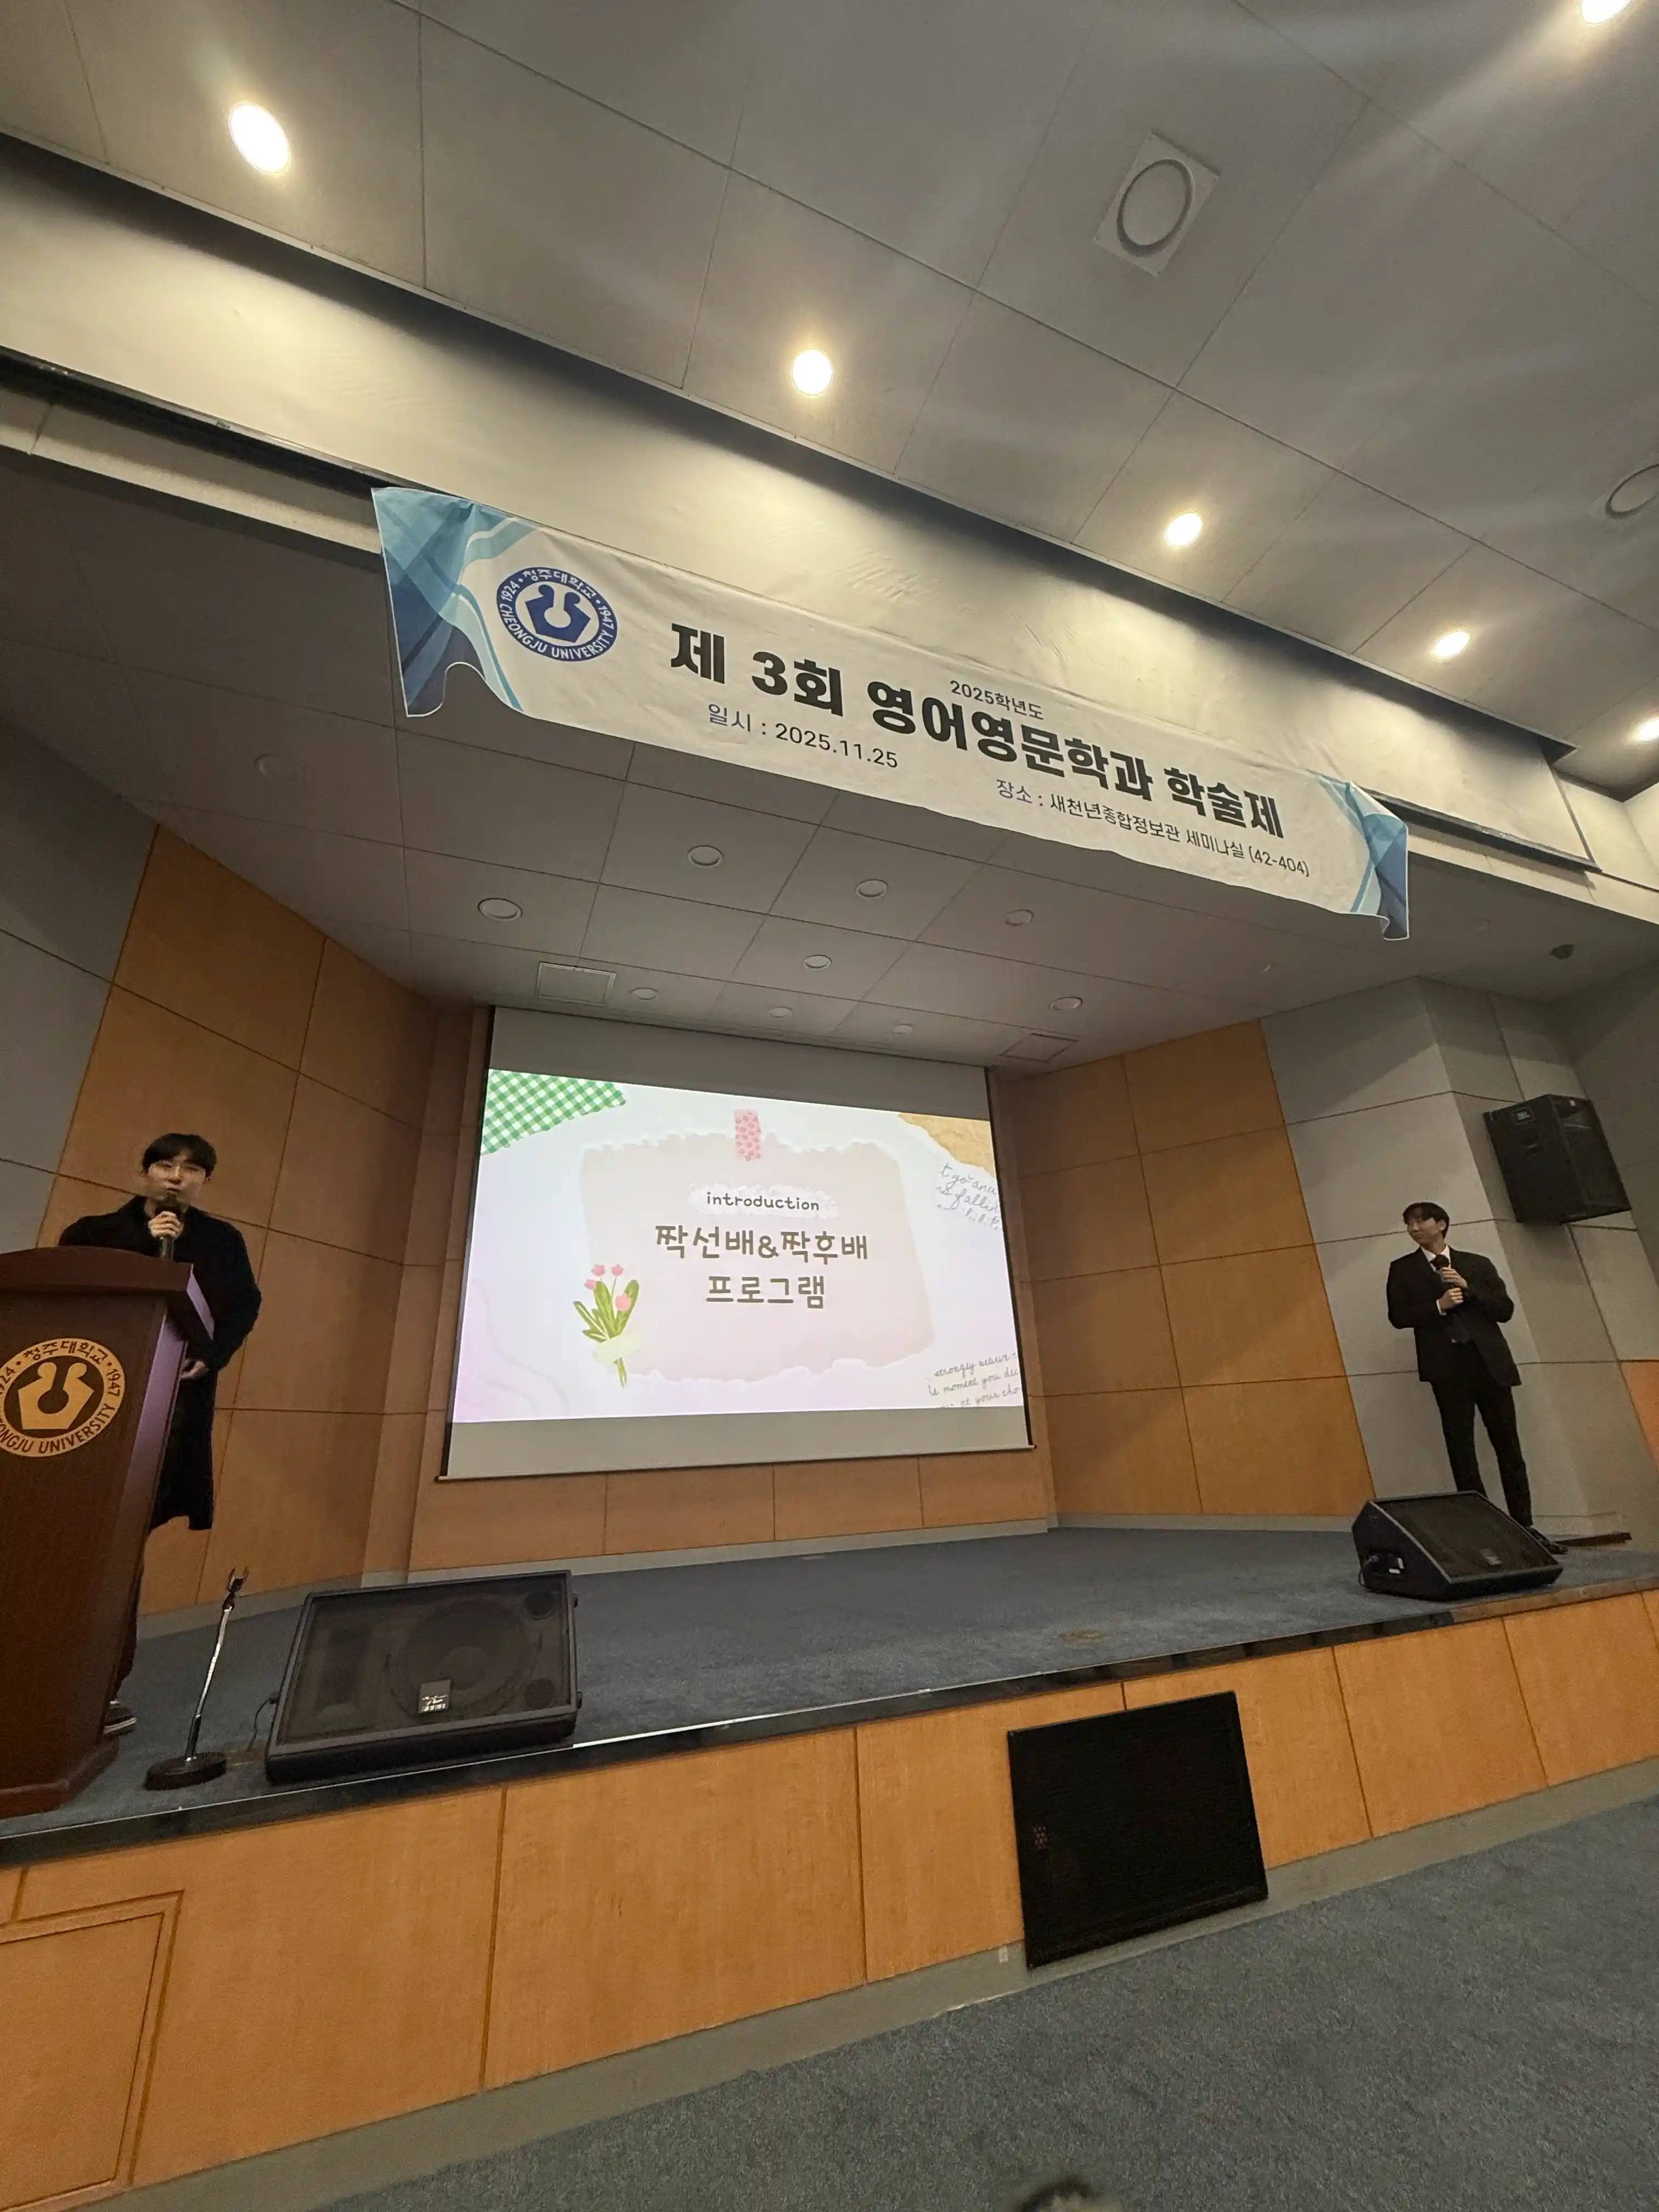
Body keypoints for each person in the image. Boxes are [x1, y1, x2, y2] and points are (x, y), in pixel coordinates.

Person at [58, 1133, 262, 1733]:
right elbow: (69, 1291)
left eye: (191, 1170)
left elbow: (242, 1307)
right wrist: (143, 1246)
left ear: (204, 1181)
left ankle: (100, 1690)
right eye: (166, 1165)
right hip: (83, 1406)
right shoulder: (94, 1232)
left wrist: (211, 1355)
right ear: (145, 1171)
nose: (176, 1178)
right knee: (69, 1536)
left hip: (170, 1408)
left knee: (125, 1538)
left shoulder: (221, 1242)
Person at [1384, 1201, 1561, 1552]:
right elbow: (1398, 1316)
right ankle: (1481, 1533)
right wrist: (1439, 1307)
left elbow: (1504, 1310)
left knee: (1508, 1447)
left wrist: (1468, 1288)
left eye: (1420, 1221)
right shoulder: (1403, 1269)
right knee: (1461, 1450)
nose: (1414, 1229)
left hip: (1490, 1366)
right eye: (1408, 1224)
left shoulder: (1477, 1264)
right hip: (1447, 1369)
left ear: (1441, 1224)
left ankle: (1525, 1527)